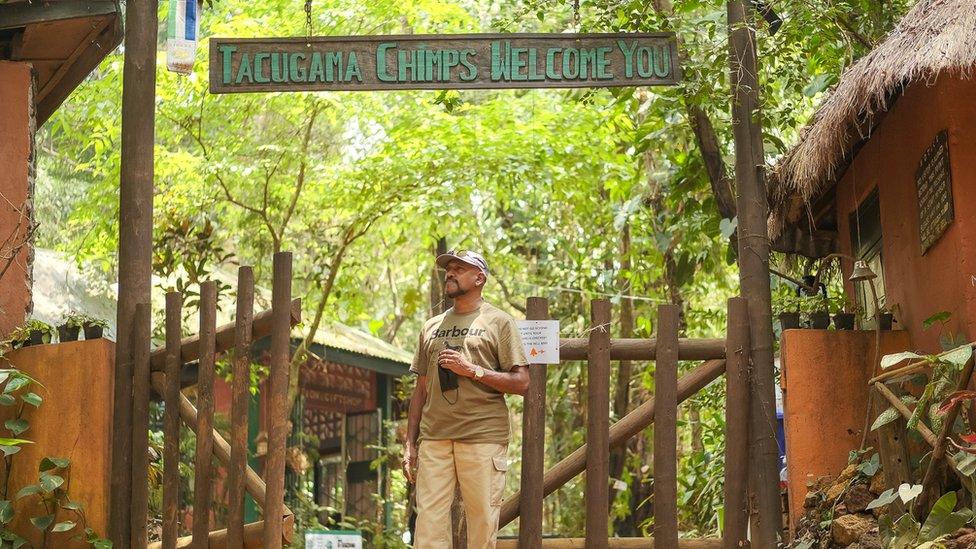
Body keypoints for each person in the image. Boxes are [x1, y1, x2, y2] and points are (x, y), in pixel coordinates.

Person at [403, 250, 530, 549]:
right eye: (449, 269)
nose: (450, 273)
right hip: (434, 438)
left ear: (479, 278)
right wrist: (410, 443)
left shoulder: (499, 322)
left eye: (460, 268)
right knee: (428, 526)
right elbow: (420, 389)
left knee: (481, 522)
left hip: (482, 436)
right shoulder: (430, 327)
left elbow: (522, 382)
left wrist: (472, 370)